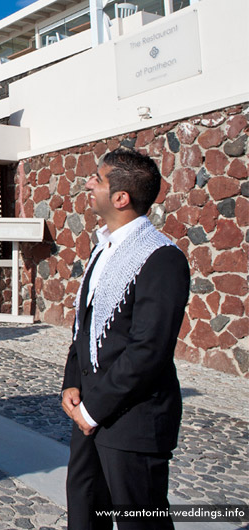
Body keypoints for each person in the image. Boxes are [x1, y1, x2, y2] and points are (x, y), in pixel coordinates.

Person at [61, 148, 190, 529]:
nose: (88, 183)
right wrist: (73, 381)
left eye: (97, 179)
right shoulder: (105, 246)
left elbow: (149, 350)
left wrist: (92, 409)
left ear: (120, 197)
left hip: (133, 421)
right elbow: (85, 324)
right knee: (85, 514)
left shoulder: (162, 258)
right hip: (88, 413)